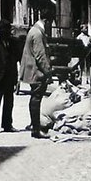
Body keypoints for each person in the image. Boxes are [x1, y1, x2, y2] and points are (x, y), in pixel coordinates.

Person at [20, 8, 55, 139]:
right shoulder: (38, 33)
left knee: (35, 98)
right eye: (50, 22)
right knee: (36, 99)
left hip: (33, 70)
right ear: (46, 20)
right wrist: (48, 72)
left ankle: (34, 126)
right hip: (36, 72)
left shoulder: (35, 30)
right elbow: (40, 56)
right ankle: (36, 129)